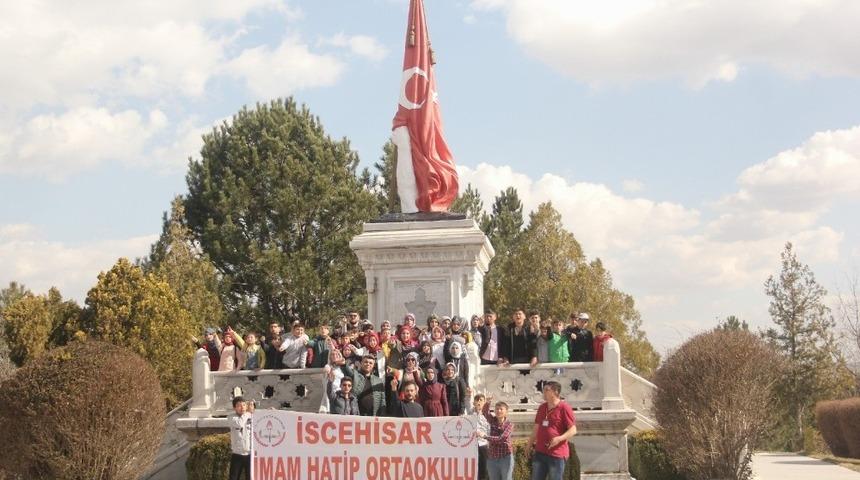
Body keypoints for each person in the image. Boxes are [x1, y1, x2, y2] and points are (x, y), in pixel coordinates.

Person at [526, 381, 577, 480]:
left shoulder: (564, 408)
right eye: (543, 390)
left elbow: (573, 430)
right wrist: (529, 444)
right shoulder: (542, 408)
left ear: (555, 392)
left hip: (556, 454)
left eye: (546, 390)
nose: (543, 392)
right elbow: (536, 428)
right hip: (540, 452)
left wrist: (559, 438)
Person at [479, 398, 513, 480]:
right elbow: (485, 412)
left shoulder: (509, 424)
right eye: (497, 409)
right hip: (492, 459)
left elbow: (501, 439)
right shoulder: (492, 420)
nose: (499, 411)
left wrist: (485, 436)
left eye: (501, 409)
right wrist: (488, 402)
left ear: (506, 412)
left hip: (505, 458)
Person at [228, 396, 252, 480]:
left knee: (251, 478)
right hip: (237, 455)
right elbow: (240, 423)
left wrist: (271, 411)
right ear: (234, 407)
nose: (242, 407)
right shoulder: (231, 417)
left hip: (250, 455)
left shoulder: (250, 416)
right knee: (233, 478)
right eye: (239, 405)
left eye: (244, 405)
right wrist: (248, 413)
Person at [467, 394, 490, 480]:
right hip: (472, 445)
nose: (479, 402)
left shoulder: (488, 415)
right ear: (474, 402)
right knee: (472, 468)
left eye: (481, 400)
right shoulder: (470, 413)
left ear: (484, 402)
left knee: (483, 468)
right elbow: (466, 404)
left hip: (483, 444)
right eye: (477, 400)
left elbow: (489, 429)